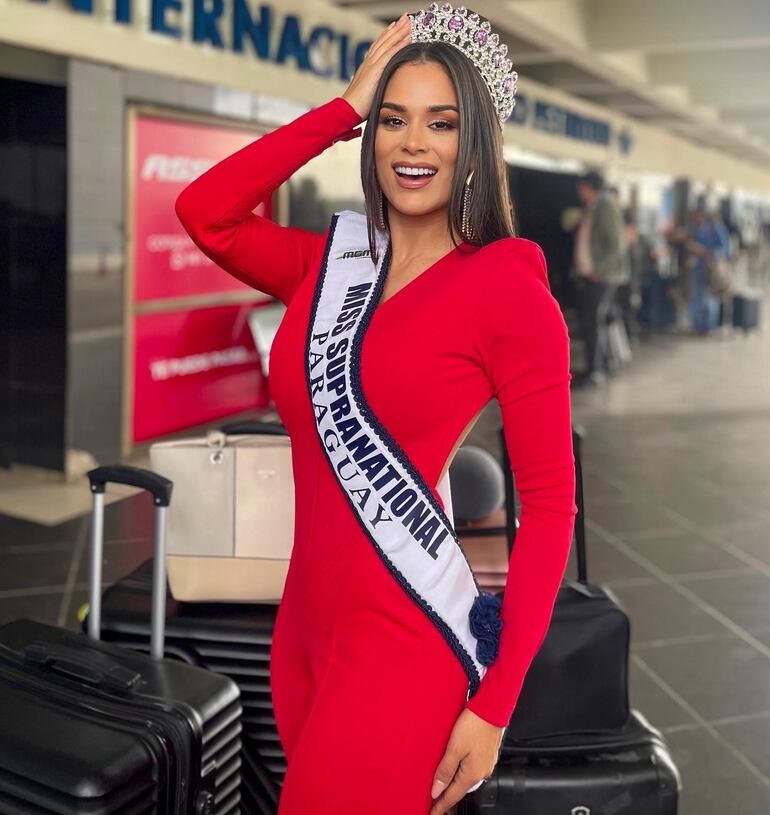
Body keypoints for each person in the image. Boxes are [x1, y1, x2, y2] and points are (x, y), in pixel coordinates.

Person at [175, 8, 577, 814]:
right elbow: (205, 212)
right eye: (393, 119)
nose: (412, 143)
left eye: (441, 122)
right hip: (303, 630)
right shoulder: (330, 265)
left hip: (405, 636)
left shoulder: (507, 291)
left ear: (475, 145)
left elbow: (551, 507)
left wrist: (495, 704)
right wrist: (343, 107)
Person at [571, 171, 629, 386]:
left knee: (593, 321)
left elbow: (616, 243)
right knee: (594, 320)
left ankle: (595, 370)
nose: (580, 192)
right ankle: (599, 365)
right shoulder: (594, 207)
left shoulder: (605, 206)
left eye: (582, 188)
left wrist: (600, 269)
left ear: (589, 187)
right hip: (592, 275)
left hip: (601, 277)